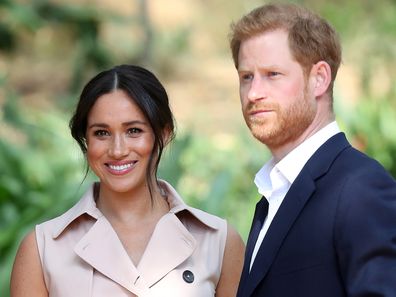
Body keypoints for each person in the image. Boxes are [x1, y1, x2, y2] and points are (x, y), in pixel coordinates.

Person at [10, 64, 244, 297]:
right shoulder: (42, 249)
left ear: (163, 133)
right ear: (86, 140)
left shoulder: (219, 242)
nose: (118, 150)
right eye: (101, 133)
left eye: (133, 130)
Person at [228, 3, 396, 297]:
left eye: (272, 74)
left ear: (319, 78)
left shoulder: (362, 189)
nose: (254, 93)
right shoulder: (274, 194)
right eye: (246, 77)